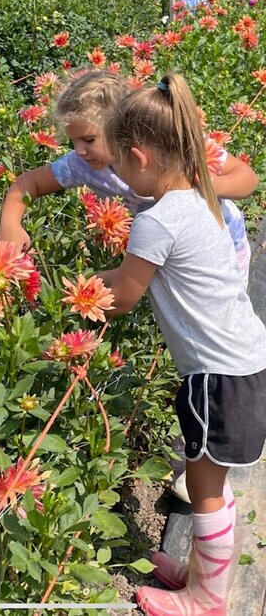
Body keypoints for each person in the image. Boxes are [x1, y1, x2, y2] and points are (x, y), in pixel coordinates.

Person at [96, 72, 266, 616]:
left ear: (140, 157)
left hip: (216, 376)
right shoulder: (200, 197)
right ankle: (201, 572)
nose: (115, 175)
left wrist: (67, 292)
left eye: (117, 162)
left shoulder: (156, 222)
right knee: (210, 477)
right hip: (247, 358)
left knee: (206, 483)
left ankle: (205, 599)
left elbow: (122, 296)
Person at [0, 71, 256, 289]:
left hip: (222, 247)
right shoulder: (82, 165)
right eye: (73, 142)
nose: (79, 151)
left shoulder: (171, 144)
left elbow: (247, 178)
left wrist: (202, 188)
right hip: (161, 252)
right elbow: (29, 183)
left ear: (122, 128)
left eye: (88, 140)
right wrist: (10, 222)